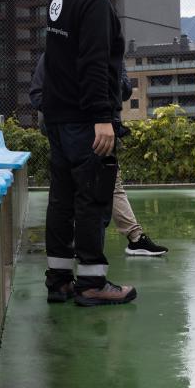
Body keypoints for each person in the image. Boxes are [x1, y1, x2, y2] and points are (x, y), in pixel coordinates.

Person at [41, 0, 137, 306]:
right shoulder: (96, 1)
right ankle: (92, 281)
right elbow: (94, 62)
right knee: (93, 198)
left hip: (59, 116)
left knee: (61, 198)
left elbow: (56, 61)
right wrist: (102, 118)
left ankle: (59, 279)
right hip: (85, 119)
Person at [30, 54, 168, 257]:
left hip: (100, 128)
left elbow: (125, 90)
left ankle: (127, 239)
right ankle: (109, 245)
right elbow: (38, 95)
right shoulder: (57, 51)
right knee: (88, 187)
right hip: (72, 131)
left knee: (107, 183)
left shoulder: (107, 50)